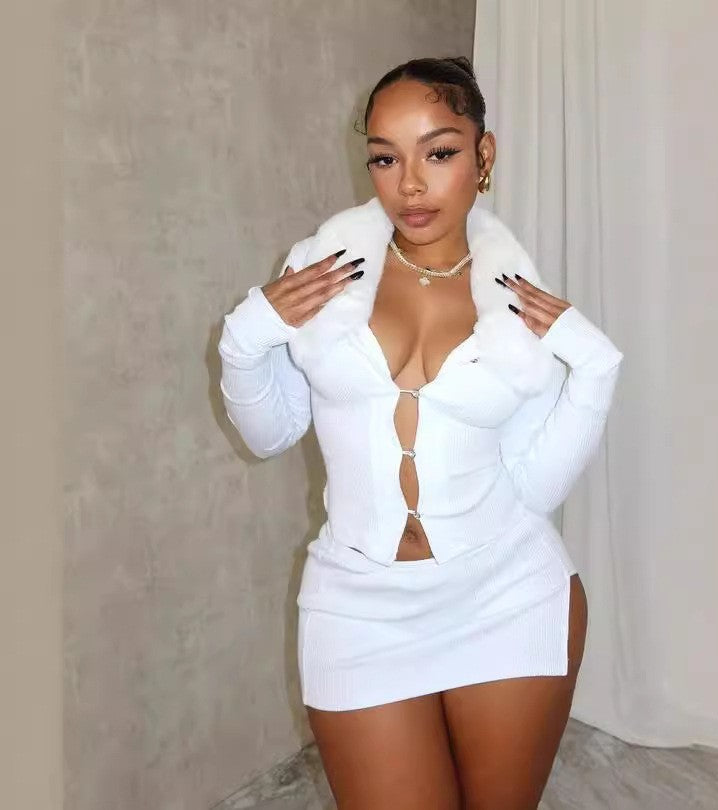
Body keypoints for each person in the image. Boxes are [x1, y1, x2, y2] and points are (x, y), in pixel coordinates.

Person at [218, 56, 623, 810]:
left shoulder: (517, 303)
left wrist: (596, 370)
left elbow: (535, 488)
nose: (410, 183)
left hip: (507, 593)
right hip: (358, 603)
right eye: (385, 158)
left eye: (438, 153)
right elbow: (270, 433)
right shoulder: (323, 273)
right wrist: (245, 340)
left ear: (483, 154)